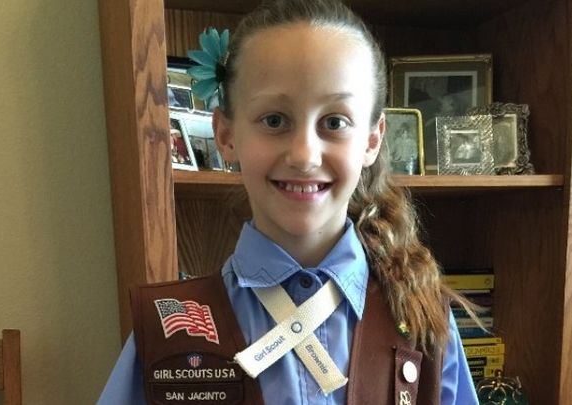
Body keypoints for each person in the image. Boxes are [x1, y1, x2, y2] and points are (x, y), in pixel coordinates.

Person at [98, 0, 478, 403]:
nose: (304, 155)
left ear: (372, 139)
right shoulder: (168, 329)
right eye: (274, 120)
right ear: (226, 135)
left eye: (334, 122)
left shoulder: (422, 317)